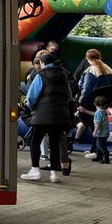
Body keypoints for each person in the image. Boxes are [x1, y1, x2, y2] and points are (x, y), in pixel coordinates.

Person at [22, 51, 72, 184]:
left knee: (34, 142)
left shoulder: (41, 75)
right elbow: (69, 96)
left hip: (42, 116)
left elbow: (32, 96)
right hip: (60, 116)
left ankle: (35, 170)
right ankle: (54, 174)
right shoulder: (63, 75)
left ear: (42, 63)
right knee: (55, 144)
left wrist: (29, 107)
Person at [87, 95, 112, 164]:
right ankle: (99, 156)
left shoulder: (98, 113)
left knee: (101, 145)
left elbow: (97, 124)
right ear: (105, 104)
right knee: (99, 145)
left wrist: (95, 131)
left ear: (94, 103)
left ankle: (106, 158)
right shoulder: (104, 111)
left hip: (101, 133)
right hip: (106, 132)